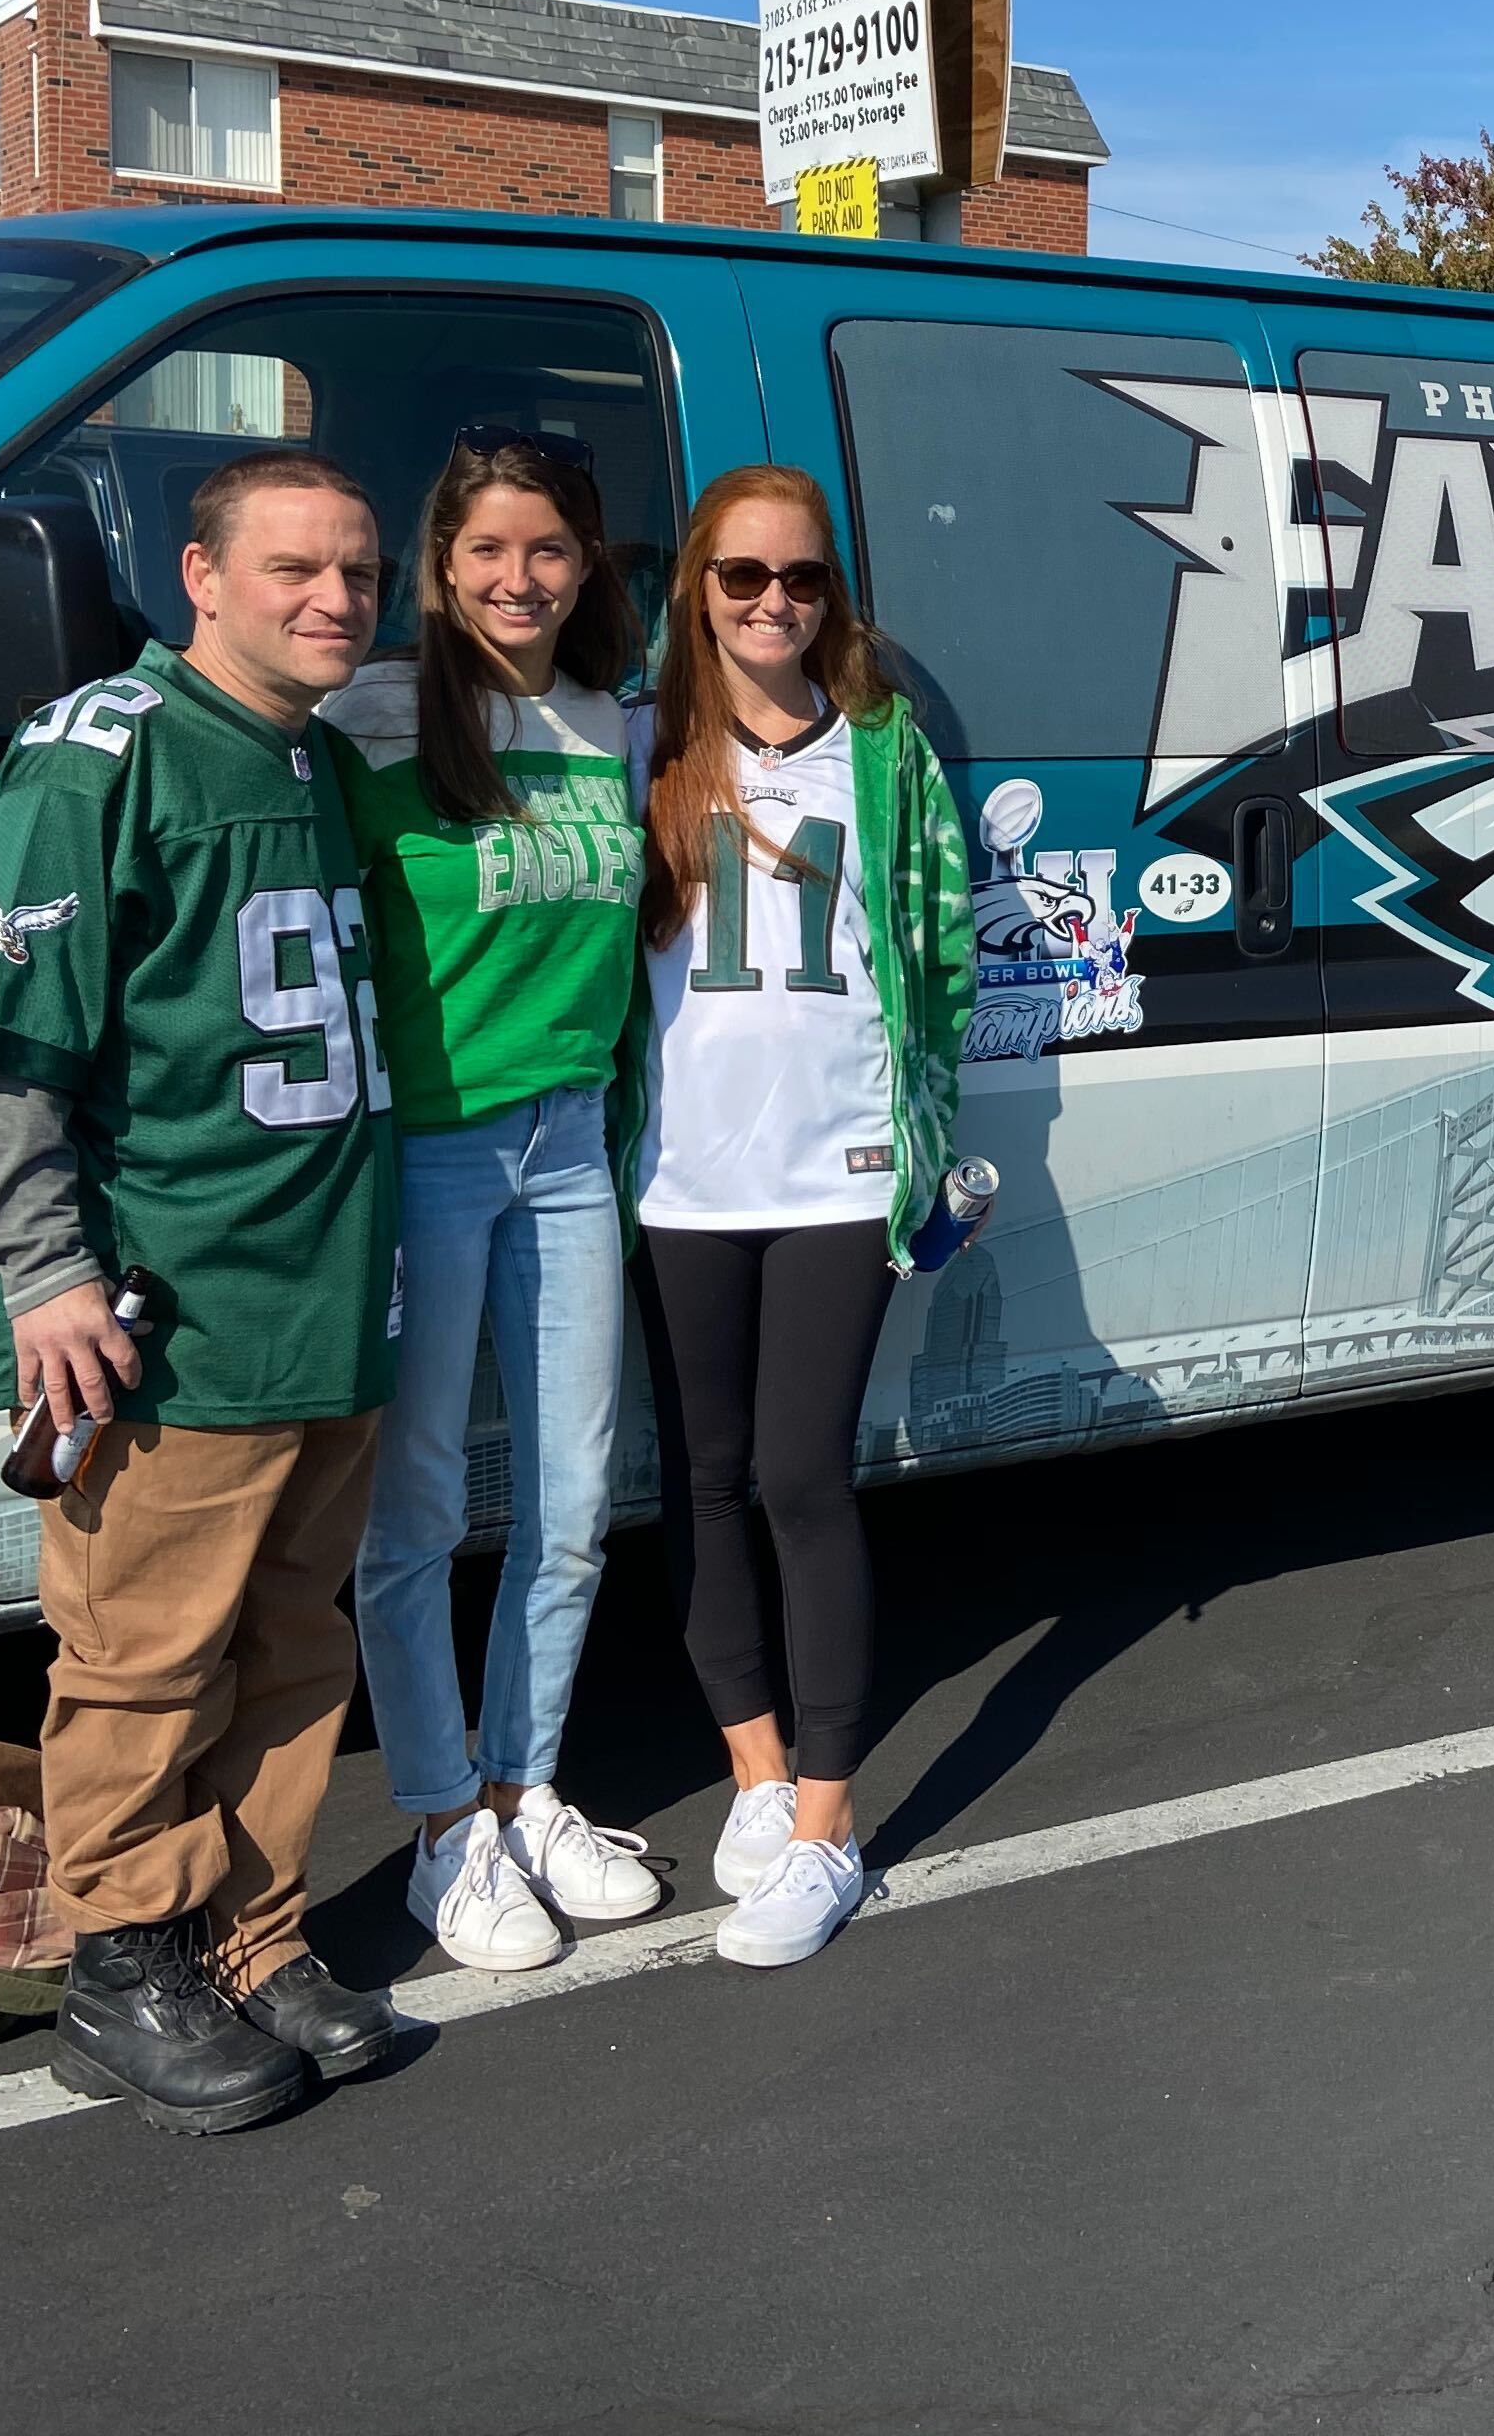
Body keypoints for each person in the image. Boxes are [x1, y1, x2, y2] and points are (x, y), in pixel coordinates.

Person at [0, 448, 402, 2135]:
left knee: (292, 1645)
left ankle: (253, 1930)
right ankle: (120, 1959)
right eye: (293, 566)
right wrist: (48, 1268)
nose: (332, 598)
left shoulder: (321, 755)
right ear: (200, 577)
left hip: (328, 1294)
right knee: (141, 1655)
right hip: (175, 1302)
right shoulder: (99, 753)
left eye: (356, 570)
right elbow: (9, 1039)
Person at [324, 425, 665, 1972]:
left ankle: (529, 1790)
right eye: (487, 552)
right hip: (433, 1148)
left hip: (567, 1144)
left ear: (585, 562)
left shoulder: (614, 721)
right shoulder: (372, 713)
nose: (517, 578)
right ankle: (441, 1824)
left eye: (548, 550)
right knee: (417, 1516)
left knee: (577, 1506)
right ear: (441, 565)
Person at [634, 464, 974, 1970]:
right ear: (698, 588)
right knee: (702, 1480)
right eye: (743, 578)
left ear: (834, 594)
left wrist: (926, 1136)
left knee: (800, 1479)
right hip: (676, 1183)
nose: (775, 603)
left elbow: (943, 947)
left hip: (835, 1174)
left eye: (803, 580)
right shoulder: (643, 750)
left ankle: (831, 1832)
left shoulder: (886, 755)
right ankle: (758, 1773)